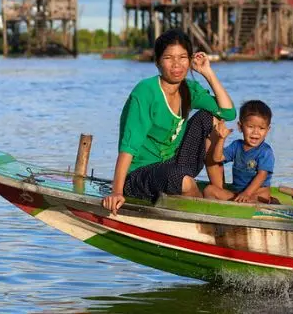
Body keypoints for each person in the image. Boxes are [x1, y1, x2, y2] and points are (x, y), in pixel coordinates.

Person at [101, 29, 236, 215]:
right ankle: (203, 214)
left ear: (190, 60)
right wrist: (116, 192)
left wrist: (207, 72)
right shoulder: (145, 92)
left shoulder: (189, 88)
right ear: (157, 62)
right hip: (141, 174)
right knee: (183, 180)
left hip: (174, 163)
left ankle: (217, 190)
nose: (176, 64)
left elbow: (228, 112)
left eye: (182, 57)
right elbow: (128, 147)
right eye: (168, 58)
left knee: (210, 117)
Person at [203, 100, 278, 204]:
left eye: (261, 128)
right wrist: (221, 139)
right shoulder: (236, 145)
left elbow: (262, 175)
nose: (255, 132)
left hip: (257, 195)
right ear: (240, 127)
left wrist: (247, 193)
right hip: (238, 194)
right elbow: (217, 158)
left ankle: (264, 204)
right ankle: (220, 212)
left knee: (257, 198)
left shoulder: (265, 151)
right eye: (250, 127)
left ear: (267, 130)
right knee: (209, 190)